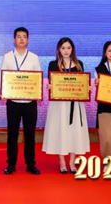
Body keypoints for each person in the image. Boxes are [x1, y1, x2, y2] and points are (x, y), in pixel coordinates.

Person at [42, 37, 90, 174]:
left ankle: (72, 162)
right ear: (59, 49)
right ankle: (62, 161)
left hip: (75, 104)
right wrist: (50, 86)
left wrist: (87, 88)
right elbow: (51, 83)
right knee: (60, 131)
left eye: (68, 48)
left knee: (75, 131)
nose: (66, 51)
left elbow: (82, 83)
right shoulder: (53, 64)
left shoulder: (79, 64)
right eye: (63, 48)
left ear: (72, 49)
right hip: (59, 105)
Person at [1, 27, 42, 175]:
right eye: (18, 36)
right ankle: (11, 164)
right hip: (13, 102)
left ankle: (30, 164)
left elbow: (37, 78)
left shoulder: (34, 57)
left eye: (24, 36)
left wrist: (38, 92)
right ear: (14, 39)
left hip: (30, 103)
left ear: (28, 40)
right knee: (12, 134)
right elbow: (3, 76)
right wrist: (3, 92)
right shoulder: (7, 57)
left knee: (30, 134)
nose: (21, 39)